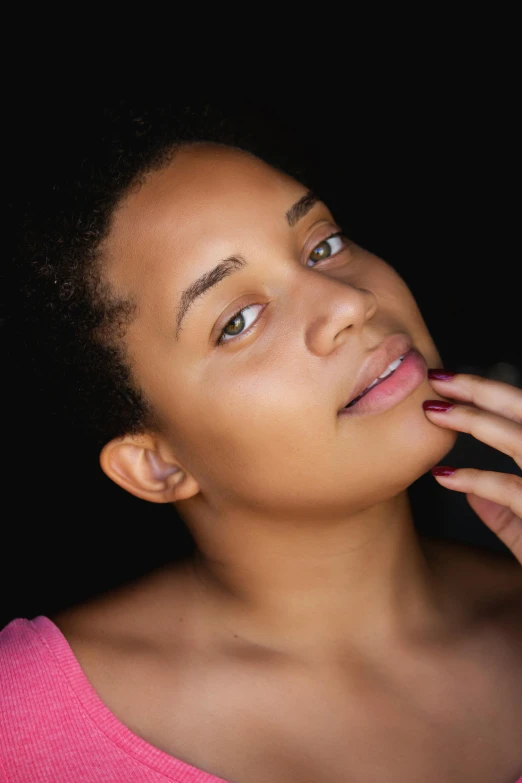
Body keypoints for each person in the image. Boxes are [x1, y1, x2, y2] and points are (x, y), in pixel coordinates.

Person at [1, 109, 521, 783]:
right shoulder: (21, 725)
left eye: (322, 245)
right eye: (239, 320)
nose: (347, 304)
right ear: (157, 464)